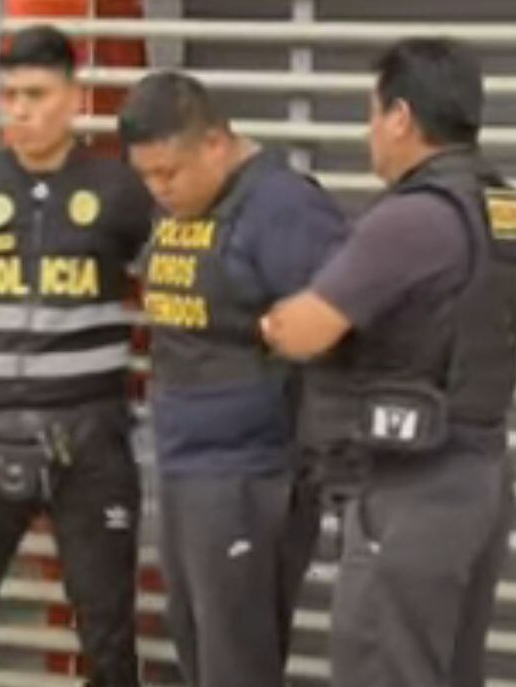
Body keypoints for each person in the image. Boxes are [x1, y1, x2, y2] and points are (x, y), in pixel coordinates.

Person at [260, 38, 516, 687]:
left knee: (383, 666)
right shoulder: (499, 206)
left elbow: (305, 332)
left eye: (373, 114)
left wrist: (270, 322)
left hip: (413, 485)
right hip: (478, 474)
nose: (370, 133)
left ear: (402, 117)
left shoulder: (412, 219)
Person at [0, 25, 152, 687]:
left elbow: (169, 294)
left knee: (107, 626)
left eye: (37, 95)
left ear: (73, 98)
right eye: (10, 95)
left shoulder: (119, 189)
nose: (20, 110)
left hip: (90, 437)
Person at [117, 71, 347, 687]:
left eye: (169, 172)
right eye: (146, 176)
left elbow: (339, 329)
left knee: (235, 663)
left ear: (216, 144)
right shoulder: (185, 204)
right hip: (183, 462)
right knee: (196, 647)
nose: (159, 189)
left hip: (251, 472)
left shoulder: (284, 208)